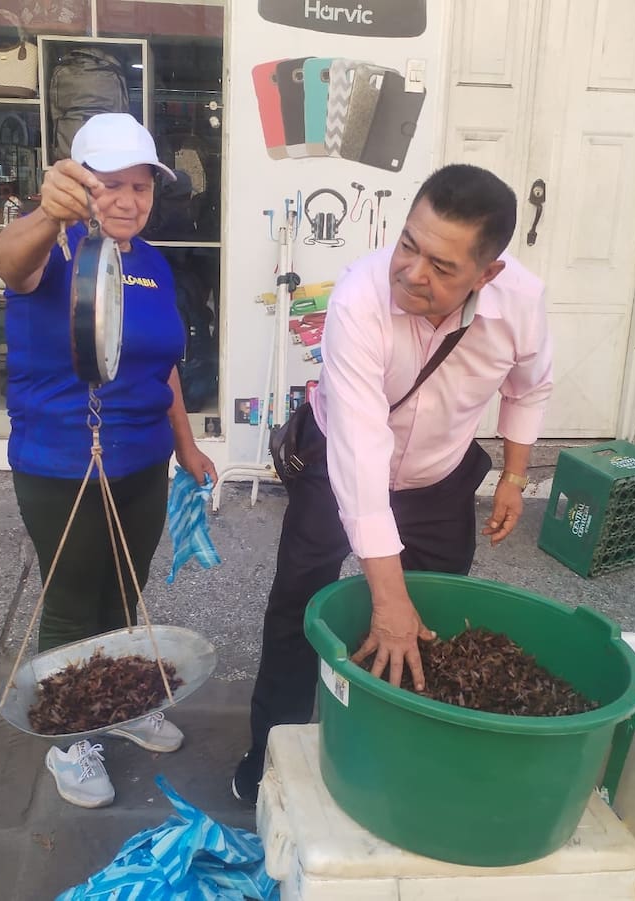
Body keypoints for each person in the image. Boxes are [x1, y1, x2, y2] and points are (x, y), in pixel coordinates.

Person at [231, 164, 553, 804]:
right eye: (409, 244)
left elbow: (530, 386)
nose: (411, 272)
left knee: (429, 622)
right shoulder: (358, 298)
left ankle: (399, 762)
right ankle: (270, 756)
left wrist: (514, 476)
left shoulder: (521, 302)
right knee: (298, 607)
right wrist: (386, 597)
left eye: (442, 266)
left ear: (487, 274)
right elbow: (359, 452)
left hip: (439, 480)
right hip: (336, 468)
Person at [0, 113, 217, 809]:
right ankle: (70, 740)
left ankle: (117, 705)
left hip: (142, 461)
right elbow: (8, 261)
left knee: (125, 590)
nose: (128, 199)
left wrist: (186, 445)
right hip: (61, 461)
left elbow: (163, 365)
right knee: (72, 601)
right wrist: (44, 214)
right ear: (80, 184)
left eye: (141, 186)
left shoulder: (149, 262)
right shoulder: (51, 247)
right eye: (110, 184)